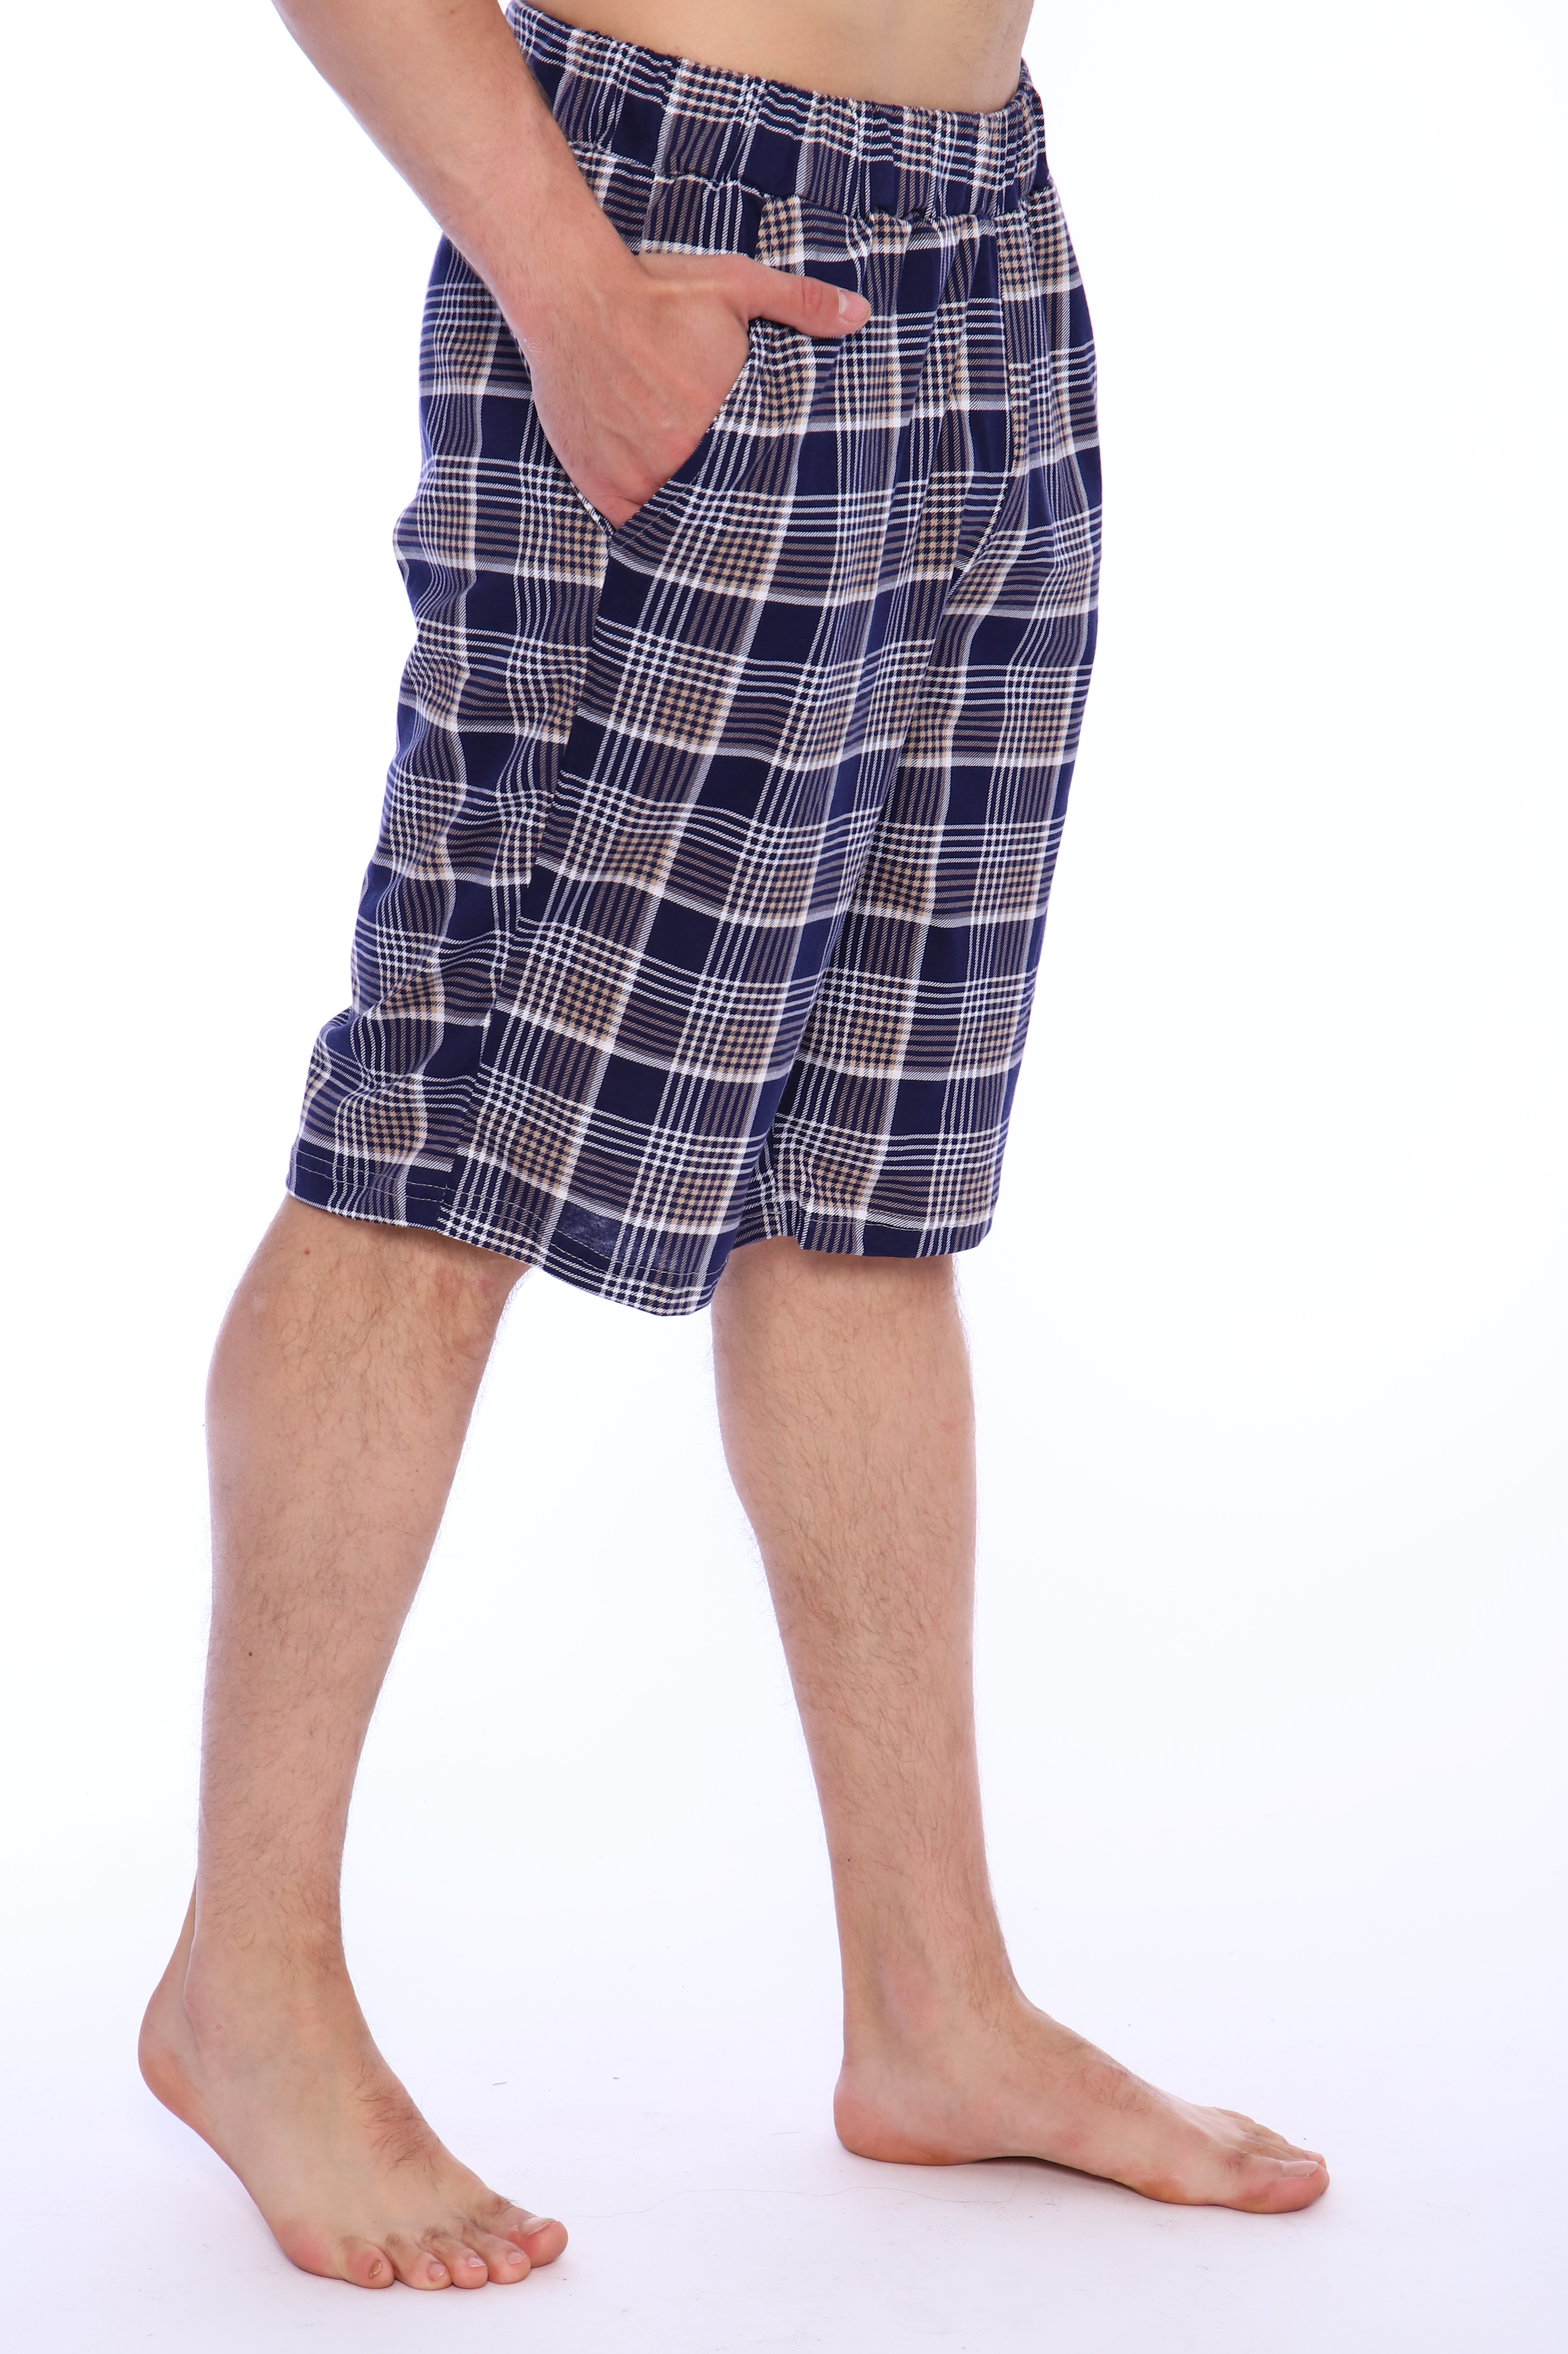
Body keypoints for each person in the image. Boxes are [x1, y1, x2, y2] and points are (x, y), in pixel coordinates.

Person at [139, 0, 1330, 2294]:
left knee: (874, 1175)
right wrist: (572, 287)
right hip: (681, 222)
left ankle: (937, 2009)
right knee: (443, 1129)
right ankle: (245, 1985)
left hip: (983, 239)